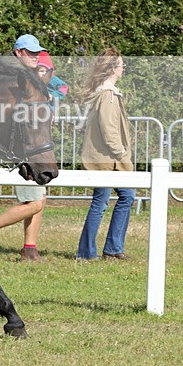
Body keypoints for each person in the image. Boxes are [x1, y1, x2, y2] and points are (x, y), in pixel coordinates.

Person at [0, 36, 67, 262]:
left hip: (31, 146)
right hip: (24, 147)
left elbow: (62, 86)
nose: (36, 56)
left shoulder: (25, 76)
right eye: (31, 52)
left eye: (37, 52)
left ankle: (30, 248)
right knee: (35, 202)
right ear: (18, 52)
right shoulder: (14, 78)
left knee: (38, 198)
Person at [76, 48, 135, 260]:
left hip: (110, 161)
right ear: (112, 68)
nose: (123, 68)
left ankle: (112, 248)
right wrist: (122, 154)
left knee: (126, 197)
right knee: (102, 203)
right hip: (108, 160)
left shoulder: (106, 92)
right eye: (121, 65)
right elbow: (109, 130)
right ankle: (87, 252)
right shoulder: (108, 95)